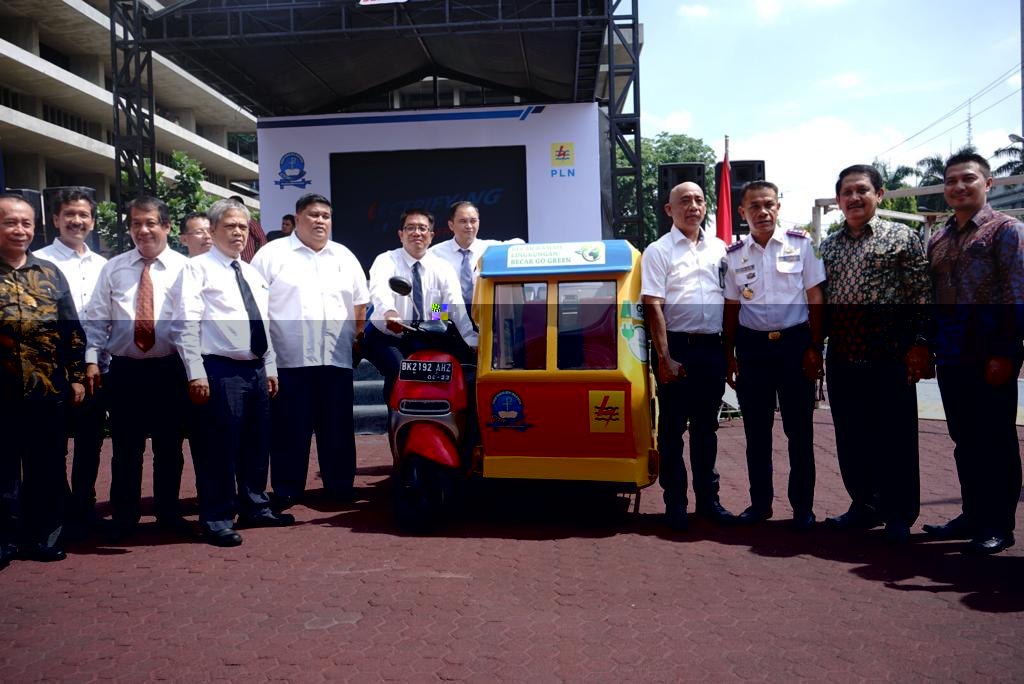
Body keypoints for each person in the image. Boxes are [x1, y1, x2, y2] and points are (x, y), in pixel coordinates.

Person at [820, 164, 932, 543]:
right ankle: (864, 505)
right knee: (851, 436)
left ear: (879, 194)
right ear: (838, 201)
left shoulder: (902, 236)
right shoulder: (830, 245)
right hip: (844, 352)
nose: (854, 198)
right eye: (847, 192)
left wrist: (920, 344)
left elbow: (921, 295)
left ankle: (899, 514)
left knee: (895, 436)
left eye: (862, 190)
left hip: (891, 351)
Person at [173, 198, 293, 547]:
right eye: (230, 225)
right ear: (212, 231)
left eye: (243, 226)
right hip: (218, 368)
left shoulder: (252, 273)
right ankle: (217, 517)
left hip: (255, 368)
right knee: (218, 448)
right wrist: (195, 372)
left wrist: (269, 365)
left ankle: (255, 506)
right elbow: (186, 324)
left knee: (257, 444)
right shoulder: (197, 269)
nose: (238, 232)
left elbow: (263, 323)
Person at [922, 152, 1024, 555]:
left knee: (996, 439)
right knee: (964, 439)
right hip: (951, 352)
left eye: (967, 180)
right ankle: (971, 515)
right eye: (951, 182)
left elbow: (1018, 294)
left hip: (991, 353)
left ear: (988, 183)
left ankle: (999, 525)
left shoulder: (1007, 231)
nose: (958, 187)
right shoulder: (939, 237)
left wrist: (1007, 352)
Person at [251, 193, 369, 510]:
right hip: (289, 360)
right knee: (290, 429)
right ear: (298, 218)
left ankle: (340, 485)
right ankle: (288, 489)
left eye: (326, 216)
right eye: (313, 215)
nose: (320, 221)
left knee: (338, 429)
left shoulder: (344, 256)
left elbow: (360, 302)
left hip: (335, 358)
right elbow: (257, 307)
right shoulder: (271, 255)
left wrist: (358, 336)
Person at [85, 196, 190, 541]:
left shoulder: (186, 268)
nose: (142, 230)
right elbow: (98, 320)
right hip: (126, 371)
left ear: (167, 227)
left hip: (169, 369)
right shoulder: (113, 268)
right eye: (135, 224)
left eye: (150, 223)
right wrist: (92, 361)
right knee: (126, 448)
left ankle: (168, 513)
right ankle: (125, 516)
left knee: (168, 447)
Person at [723, 181, 825, 531]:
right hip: (753, 348)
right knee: (757, 433)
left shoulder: (801, 245)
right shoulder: (735, 255)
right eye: (754, 206)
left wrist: (815, 346)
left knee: (799, 432)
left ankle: (803, 509)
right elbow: (732, 307)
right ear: (743, 212)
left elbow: (815, 296)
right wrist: (729, 353)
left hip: (795, 345)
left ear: (778, 207)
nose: (762, 212)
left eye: (768, 205)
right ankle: (760, 503)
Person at [641, 182, 735, 532]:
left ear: (705, 206)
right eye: (684, 201)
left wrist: (728, 354)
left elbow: (729, 300)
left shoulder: (720, 249)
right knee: (671, 431)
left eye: (698, 200)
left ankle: (709, 502)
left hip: (711, 349)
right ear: (669, 210)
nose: (692, 206)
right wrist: (664, 357)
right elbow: (653, 305)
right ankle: (675, 503)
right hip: (676, 350)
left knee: (706, 430)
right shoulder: (658, 250)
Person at [0, 193, 86, 564]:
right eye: (10, 223)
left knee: (46, 469)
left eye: (25, 223)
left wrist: (79, 376)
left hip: (46, 391)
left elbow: (72, 331)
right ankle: (5, 540)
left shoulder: (50, 273)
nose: (20, 230)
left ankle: (44, 538)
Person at [35, 189, 109, 536]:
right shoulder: (38, 262)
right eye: (69, 215)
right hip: (51, 371)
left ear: (92, 221)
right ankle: (56, 512)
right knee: (51, 445)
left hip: (95, 368)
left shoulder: (103, 266)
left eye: (83, 215)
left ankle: (83, 507)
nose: (76, 221)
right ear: (55, 220)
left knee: (89, 442)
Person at [362, 208, 474, 401]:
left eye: (422, 228)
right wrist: (389, 312)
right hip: (387, 335)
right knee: (399, 372)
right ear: (401, 234)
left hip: (425, 335)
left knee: (452, 368)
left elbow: (452, 304)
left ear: (431, 235)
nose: (416, 233)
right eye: (410, 228)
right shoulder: (386, 260)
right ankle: (397, 425)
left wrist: (469, 337)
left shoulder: (442, 267)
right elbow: (380, 291)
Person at [429, 201, 522, 344]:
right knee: (448, 351)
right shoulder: (435, 253)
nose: (469, 226)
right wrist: (439, 320)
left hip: (481, 312)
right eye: (463, 221)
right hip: (448, 312)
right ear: (451, 225)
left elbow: (519, 244)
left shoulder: (490, 248)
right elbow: (434, 293)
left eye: (473, 221)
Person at [230, 195, 266, 262]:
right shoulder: (226, 222)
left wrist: (258, 257)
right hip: (231, 259)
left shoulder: (250, 221)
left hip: (248, 260)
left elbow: (262, 239)